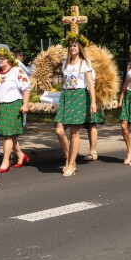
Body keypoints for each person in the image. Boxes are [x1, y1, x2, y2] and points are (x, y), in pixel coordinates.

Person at [54, 32, 98, 176]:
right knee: (59, 130)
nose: (72, 48)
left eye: (75, 45)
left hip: (79, 95)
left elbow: (90, 83)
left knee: (74, 132)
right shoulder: (65, 63)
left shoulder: (85, 63)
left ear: (79, 47)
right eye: (70, 46)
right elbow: (63, 83)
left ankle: (72, 164)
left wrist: (93, 101)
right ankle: (68, 157)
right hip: (66, 96)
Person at [0, 48, 31, 173]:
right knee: (7, 133)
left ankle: (6, 161)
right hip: (0, 106)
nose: (0, 60)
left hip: (13, 105)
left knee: (7, 135)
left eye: (3, 58)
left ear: (9, 60)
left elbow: (26, 88)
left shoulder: (17, 71)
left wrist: (25, 104)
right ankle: (21, 155)